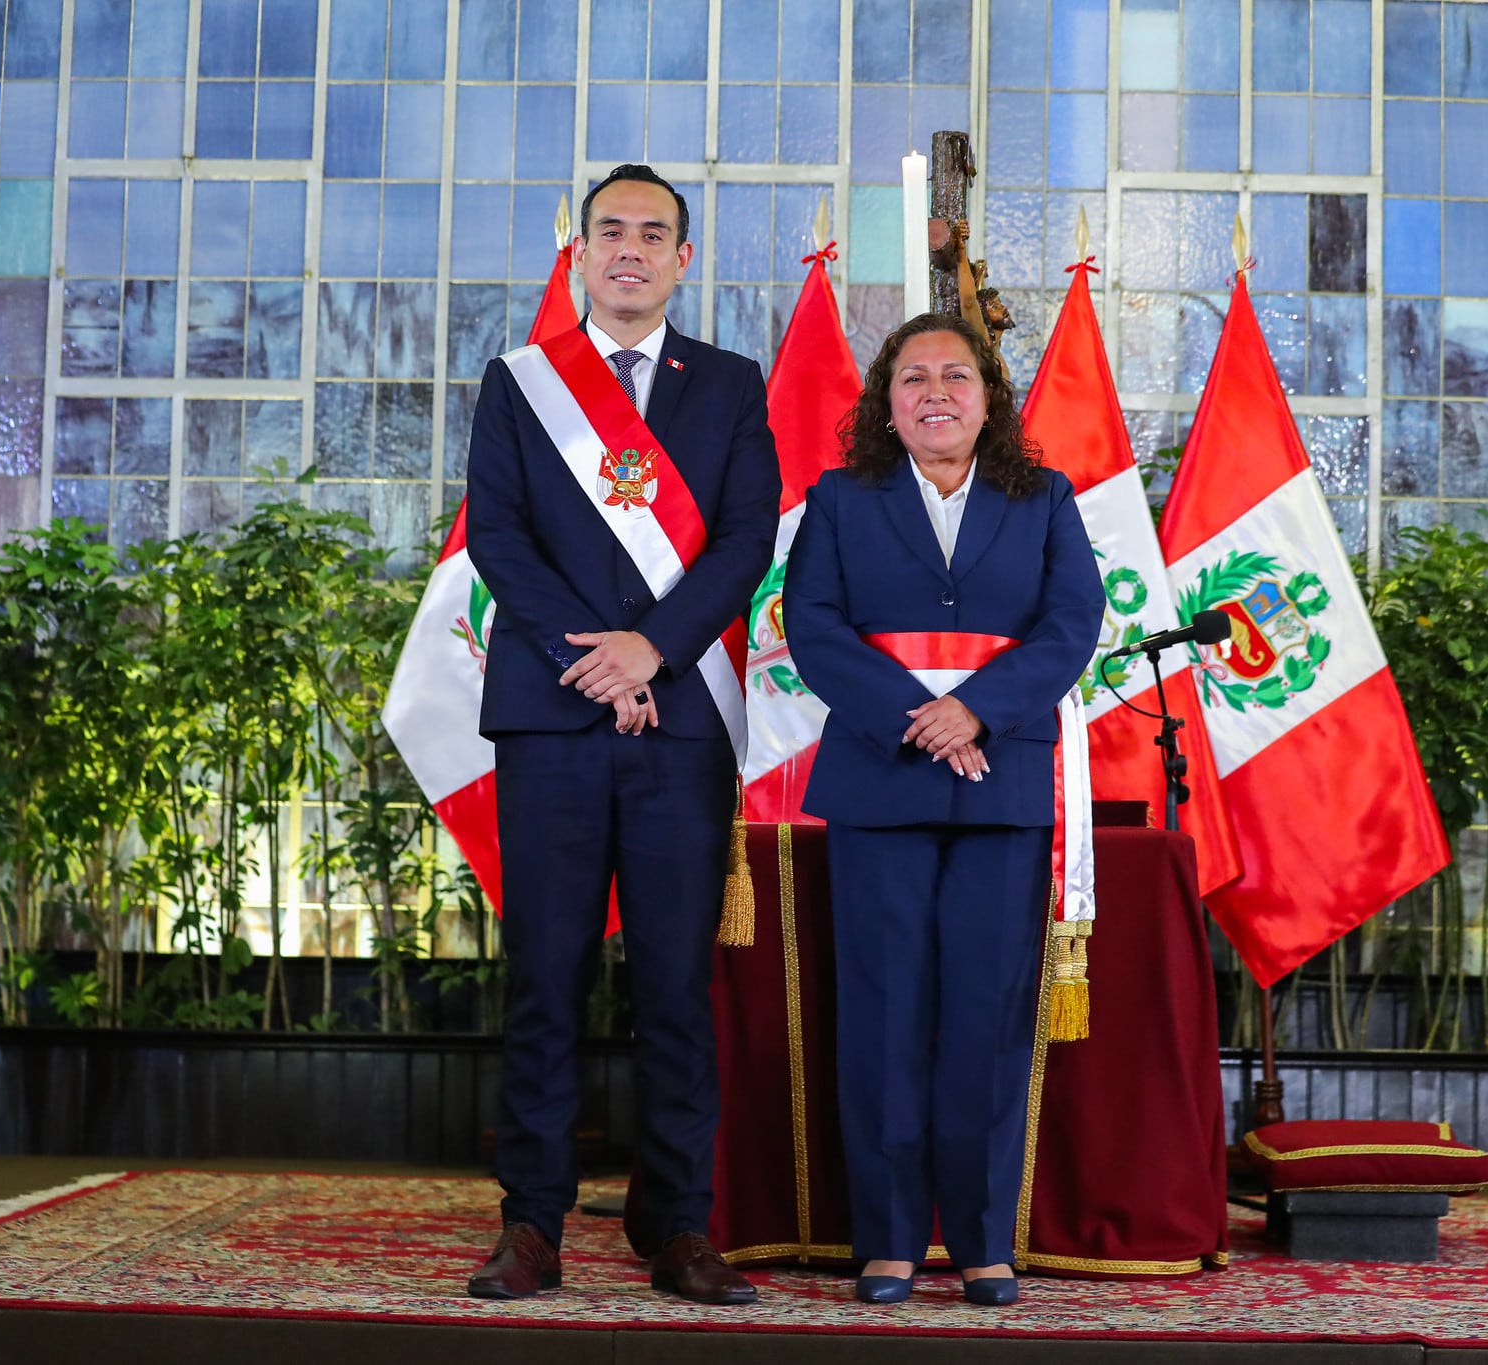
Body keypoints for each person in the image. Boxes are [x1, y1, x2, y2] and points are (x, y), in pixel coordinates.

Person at [460, 164, 780, 1303]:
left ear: (683, 259)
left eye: (653, 234)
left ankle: (679, 1224)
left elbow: (745, 540)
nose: (630, 249)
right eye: (611, 231)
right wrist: (592, 660)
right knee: (545, 978)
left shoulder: (730, 384)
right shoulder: (520, 382)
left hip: (680, 718)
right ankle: (532, 1221)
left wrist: (653, 651)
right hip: (550, 718)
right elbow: (497, 537)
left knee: (676, 986)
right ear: (581, 252)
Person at [782, 315, 1104, 1305]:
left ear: (988, 398)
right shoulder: (840, 499)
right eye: (913, 377)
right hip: (880, 782)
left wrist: (977, 712)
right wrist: (919, 722)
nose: (935, 392)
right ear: (886, 403)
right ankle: (887, 1240)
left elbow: (1070, 625)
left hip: (1001, 783)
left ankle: (979, 1243)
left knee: (986, 1019)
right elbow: (814, 628)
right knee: (882, 1014)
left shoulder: (1044, 498)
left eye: (955, 376)